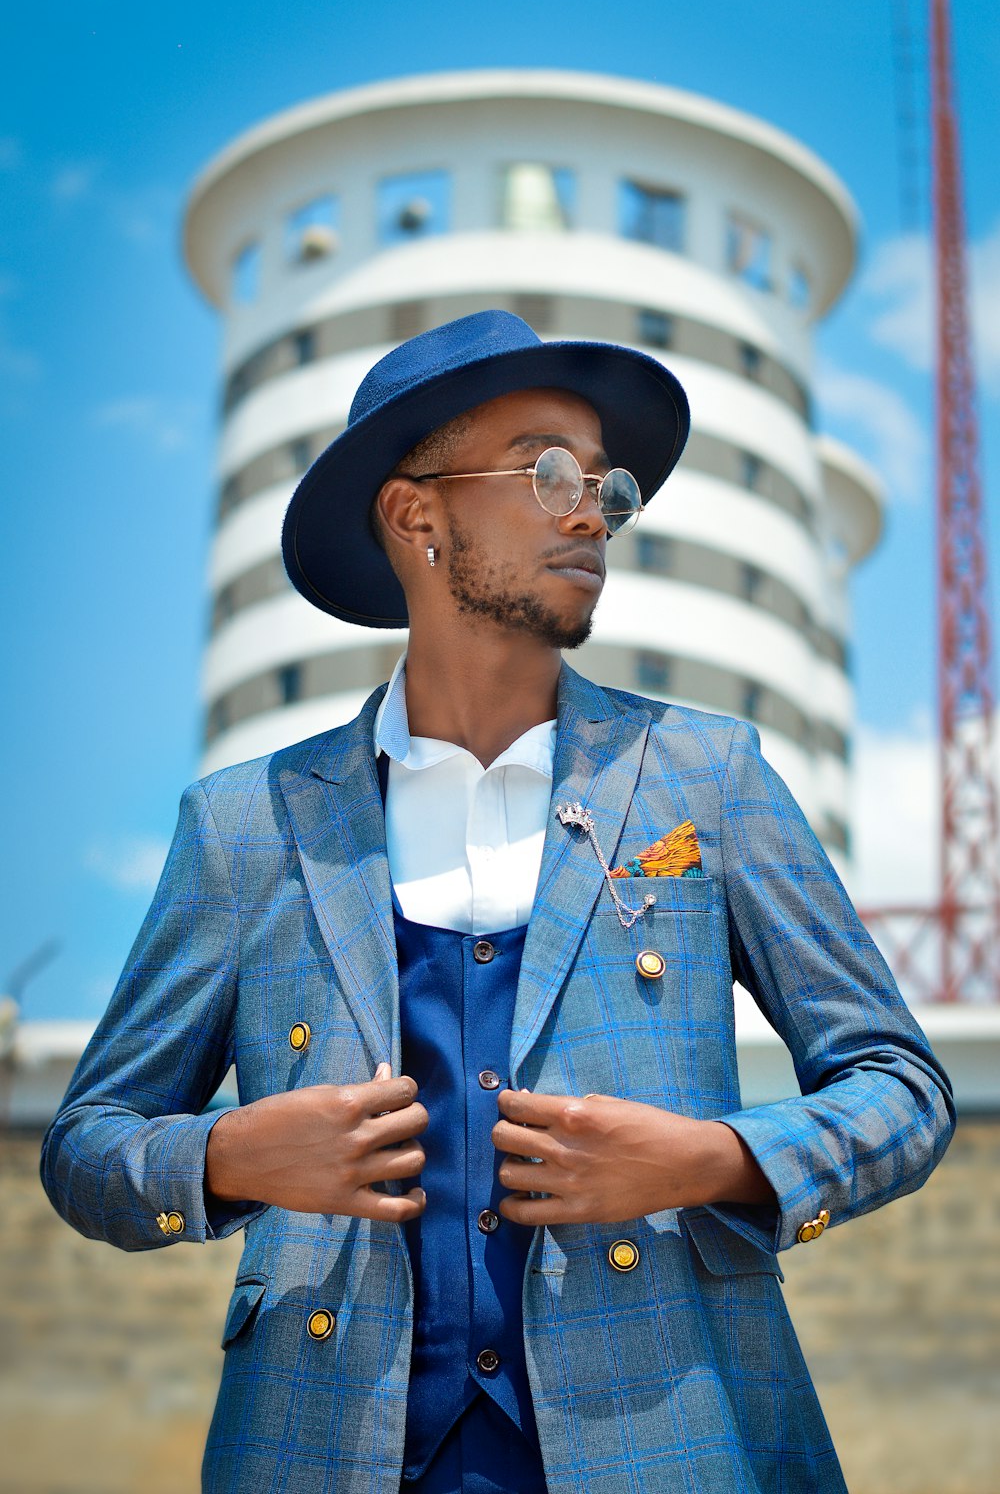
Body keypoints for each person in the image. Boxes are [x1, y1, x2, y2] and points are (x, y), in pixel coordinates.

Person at [42, 310, 955, 1494]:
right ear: (415, 513)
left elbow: (903, 1085)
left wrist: (713, 1157)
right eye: (546, 471)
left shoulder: (705, 776)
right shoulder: (247, 824)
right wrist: (229, 1153)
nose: (591, 512)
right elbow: (86, 1148)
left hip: (670, 1436)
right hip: (323, 1449)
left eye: (605, 485)